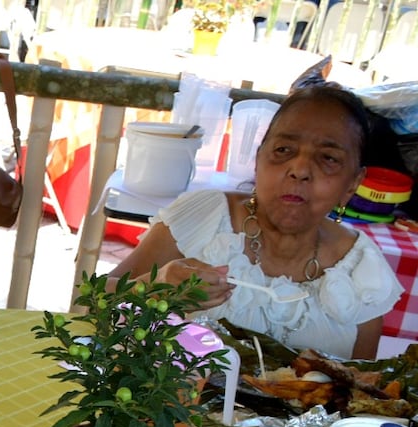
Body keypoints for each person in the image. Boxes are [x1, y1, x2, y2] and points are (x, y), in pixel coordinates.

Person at [108, 83, 402, 360]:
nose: (299, 170)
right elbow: (89, 304)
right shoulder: (206, 217)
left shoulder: (360, 267)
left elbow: (360, 388)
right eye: (283, 150)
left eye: (328, 158)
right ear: (259, 158)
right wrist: (154, 287)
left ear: (352, 183)